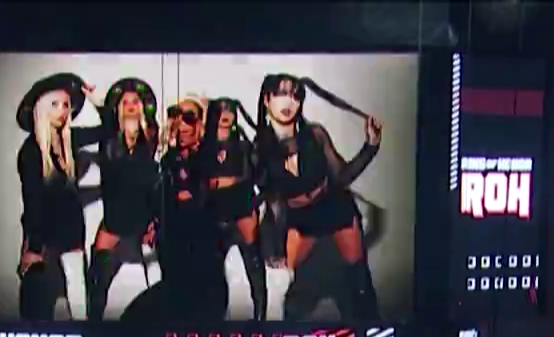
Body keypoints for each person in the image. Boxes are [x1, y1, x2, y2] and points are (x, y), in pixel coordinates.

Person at [254, 73, 384, 319]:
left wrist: (371, 146)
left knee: (359, 282)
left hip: (333, 207)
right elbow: (271, 202)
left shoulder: (315, 134)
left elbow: (342, 177)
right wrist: (274, 245)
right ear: (267, 99)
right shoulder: (259, 148)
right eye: (281, 93)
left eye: (295, 96)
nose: (288, 102)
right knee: (286, 291)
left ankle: (371, 333)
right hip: (299, 218)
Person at [13, 73, 99, 319]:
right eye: (54, 104)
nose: (62, 111)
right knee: (35, 299)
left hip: (71, 229)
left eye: (66, 105)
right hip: (43, 232)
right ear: (40, 108)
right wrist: (34, 247)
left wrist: (96, 101)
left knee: (78, 293)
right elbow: (33, 201)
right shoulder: (31, 151)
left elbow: (108, 130)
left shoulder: (70, 139)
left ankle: (84, 335)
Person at [84, 78, 163, 321]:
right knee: (97, 278)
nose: (130, 105)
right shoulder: (109, 136)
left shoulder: (150, 135)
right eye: (125, 102)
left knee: (159, 271)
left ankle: (162, 321)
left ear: (142, 107)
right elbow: (107, 121)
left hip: (143, 216)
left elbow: (153, 183)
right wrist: (97, 102)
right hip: (115, 218)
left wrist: (155, 221)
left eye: (135, 101)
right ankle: (93, 324)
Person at [152, 96, 229, 320]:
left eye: (188, 117)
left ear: (200, 125)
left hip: (202, 252)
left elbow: (200, 192)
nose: (182, 124)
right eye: (177, 117)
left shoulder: (208, 156)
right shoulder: (168, 159)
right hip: (172, 250)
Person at [201, 97, 270, 318]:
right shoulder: (204, 146)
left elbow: (260, 178)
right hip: (215, 214)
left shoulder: (243, 145)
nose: (226, 114)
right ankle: (212, 316)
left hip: (242, 209)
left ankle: (260, 315)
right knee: (211, 271)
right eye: (221, 110)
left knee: (254, 264)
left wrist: (254, 203)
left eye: (230, 110)